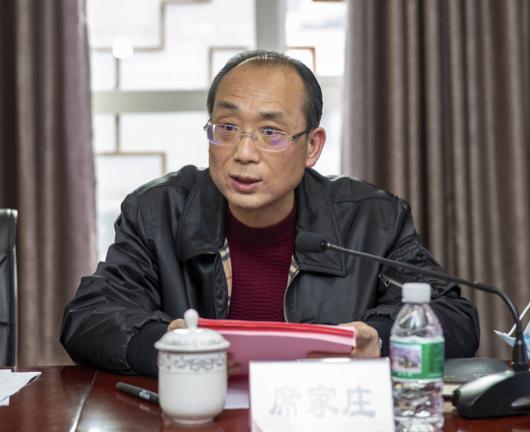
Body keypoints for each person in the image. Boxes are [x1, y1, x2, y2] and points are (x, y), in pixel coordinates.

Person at [60, 50, 479, 377]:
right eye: (227, 128)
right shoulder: (158, 212)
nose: (244, 153)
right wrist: (162, 344)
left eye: (271, 133)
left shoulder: (373, 218)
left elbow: (454, 318)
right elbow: (88, 317)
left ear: (312, 146)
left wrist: (381, 339)